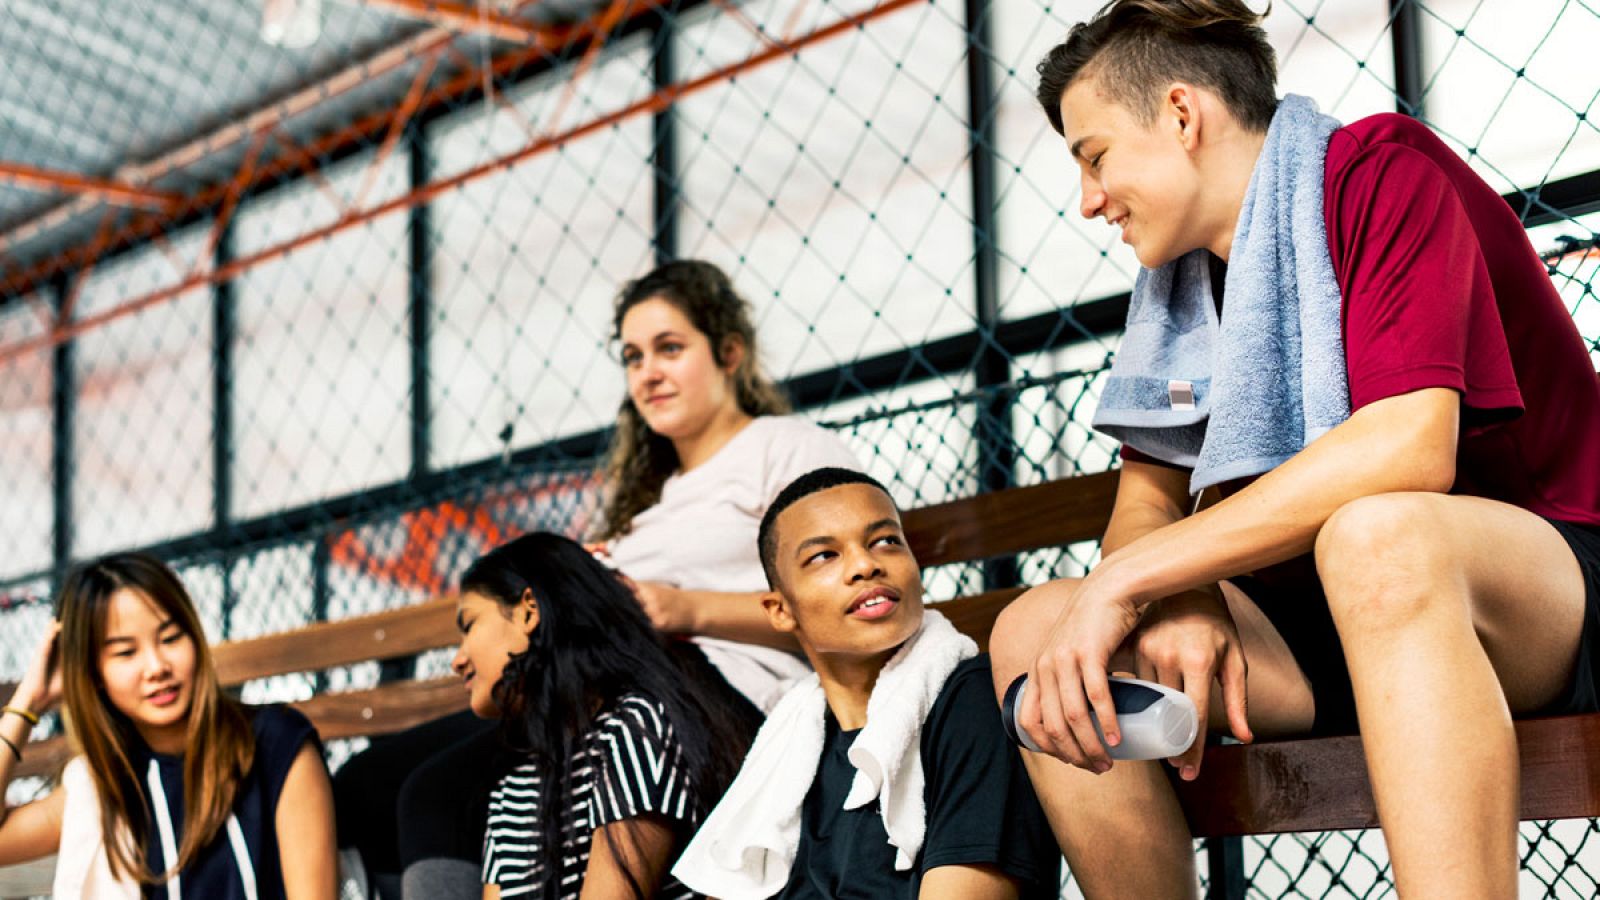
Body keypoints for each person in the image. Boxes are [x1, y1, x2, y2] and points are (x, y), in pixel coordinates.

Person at [987, 1, 1600, 898]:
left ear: (1182, 114)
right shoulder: (1179, 285)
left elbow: (1406, 449)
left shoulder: (1379, 172)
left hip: (1536, 593)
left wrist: (1131, 582)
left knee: (1379, 536)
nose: (1088, 200)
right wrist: (1179, 592)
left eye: (1095, 156)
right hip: (1329, 623)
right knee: (1032, 632)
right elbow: (1146, 504)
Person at [333, 258, 859, 897]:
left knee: (442, 792)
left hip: (718, 693)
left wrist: (682, 609)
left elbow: (851, 598)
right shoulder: (644, 505)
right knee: (368, 784)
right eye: (633, 357)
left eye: (669, 348)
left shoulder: (785, 447)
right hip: (603, 686)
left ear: (729, 353)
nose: (648, 372)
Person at [674, 467, 1062, 899]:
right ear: (780, 610)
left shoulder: (973, 699)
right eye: (824, 555)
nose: (865, 565)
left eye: (886, 541)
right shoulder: (790, 748)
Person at [0, 553, 337, 899]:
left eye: (171, 638)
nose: (157, 666)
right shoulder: (105, 790)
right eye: (126, 652)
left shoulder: (276, 744)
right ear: (94, 673)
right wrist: (29, 700)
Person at [449, 532, 756, 899]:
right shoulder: (510, 792)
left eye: (469, 625)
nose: (458, 660)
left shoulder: (634, 729)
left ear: (528, 610)